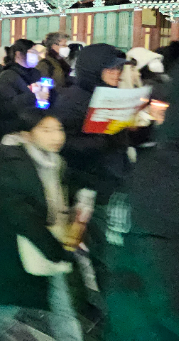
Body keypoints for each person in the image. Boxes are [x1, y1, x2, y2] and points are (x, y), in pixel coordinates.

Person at [0, 109, 82, 341]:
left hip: (49, 244)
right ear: (27, 134)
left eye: (58, 129)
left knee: (62, 305)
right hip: (18, 249)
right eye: (46, 130)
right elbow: (21, 215)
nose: (56, 136)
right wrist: (56, 250)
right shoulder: (11, 163)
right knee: (8, 303)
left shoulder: (56, 162)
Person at [105, 59, 179, 340]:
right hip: (149, 325)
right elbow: (168, 299)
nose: (119, 73)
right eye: (113, 69)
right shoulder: (163, 179)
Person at [53, 43, 129, 295]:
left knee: (103, 246)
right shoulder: (72, 99)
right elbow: (61, 142)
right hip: (86, 185)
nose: (117, 74)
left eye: (119, 69)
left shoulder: (112, 95)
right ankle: (92, 296)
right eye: (111, 69)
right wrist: (103, 139)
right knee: (98, 248)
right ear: (94, 69)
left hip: (111, 181)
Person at [0, 39, 45, 152]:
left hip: (32, 129)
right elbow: (6, 106)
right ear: (18, 54)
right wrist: (34, 96)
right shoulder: (6, 77)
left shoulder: (36, 74)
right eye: (31, 53)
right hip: (12, 132)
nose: (35, 56)